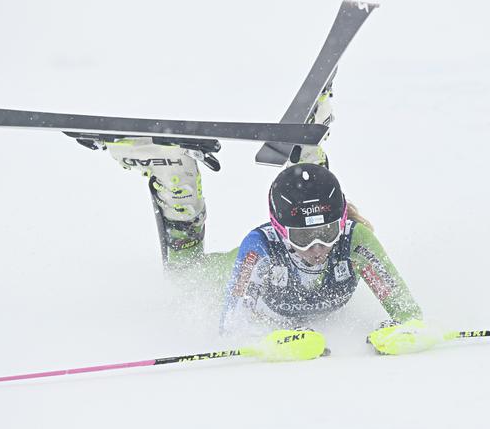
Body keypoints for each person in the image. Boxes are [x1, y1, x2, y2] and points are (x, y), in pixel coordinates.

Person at [102, 86, 437, 354]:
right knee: (184, 277)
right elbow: (233, 329)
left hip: (307, 220)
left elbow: (408, 311)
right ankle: (175, 178)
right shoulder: (260, 247)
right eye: (303, 238)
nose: (318, 247)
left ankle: (309, 144)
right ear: (280, 232)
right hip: (222, 274)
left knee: (312, 200)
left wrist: (402, 333)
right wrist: (279, 340)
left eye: (328, 232)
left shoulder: (354, 238)